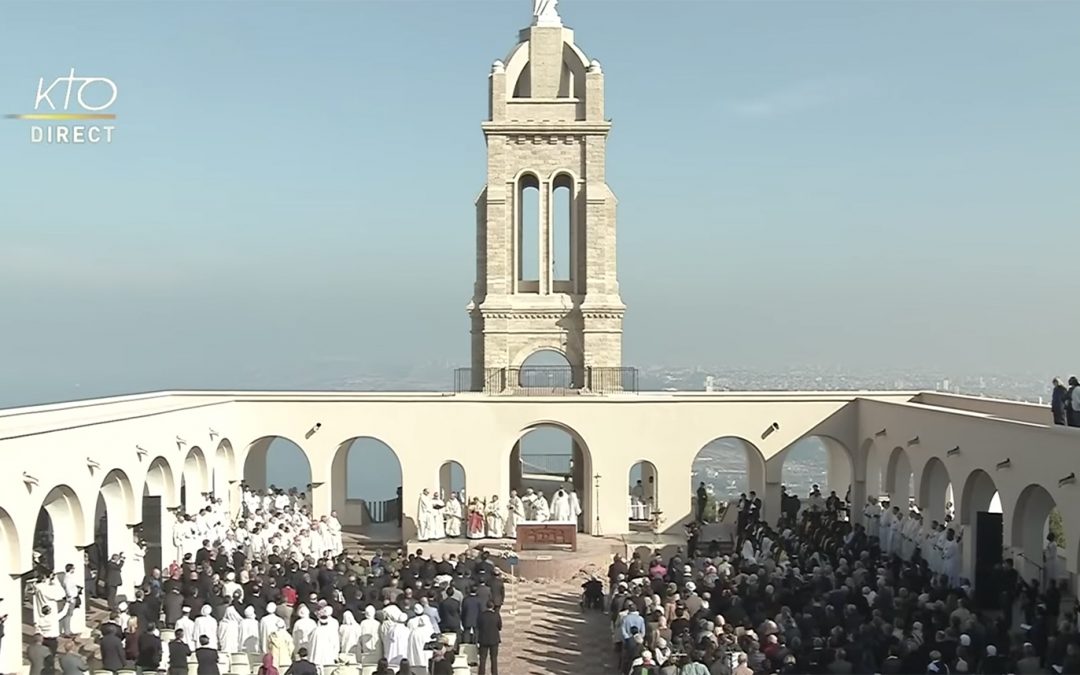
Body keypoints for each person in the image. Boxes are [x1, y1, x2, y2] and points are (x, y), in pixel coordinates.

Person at [476, 601, 501, 675]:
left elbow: (478, 626)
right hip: (494, 639)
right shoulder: (496, 615)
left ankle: (481, 673)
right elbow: (499, 626)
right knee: (494, 658)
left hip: (483, 639)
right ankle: (494, 673)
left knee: (482, 659)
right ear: (493, 607)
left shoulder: (481, 615)